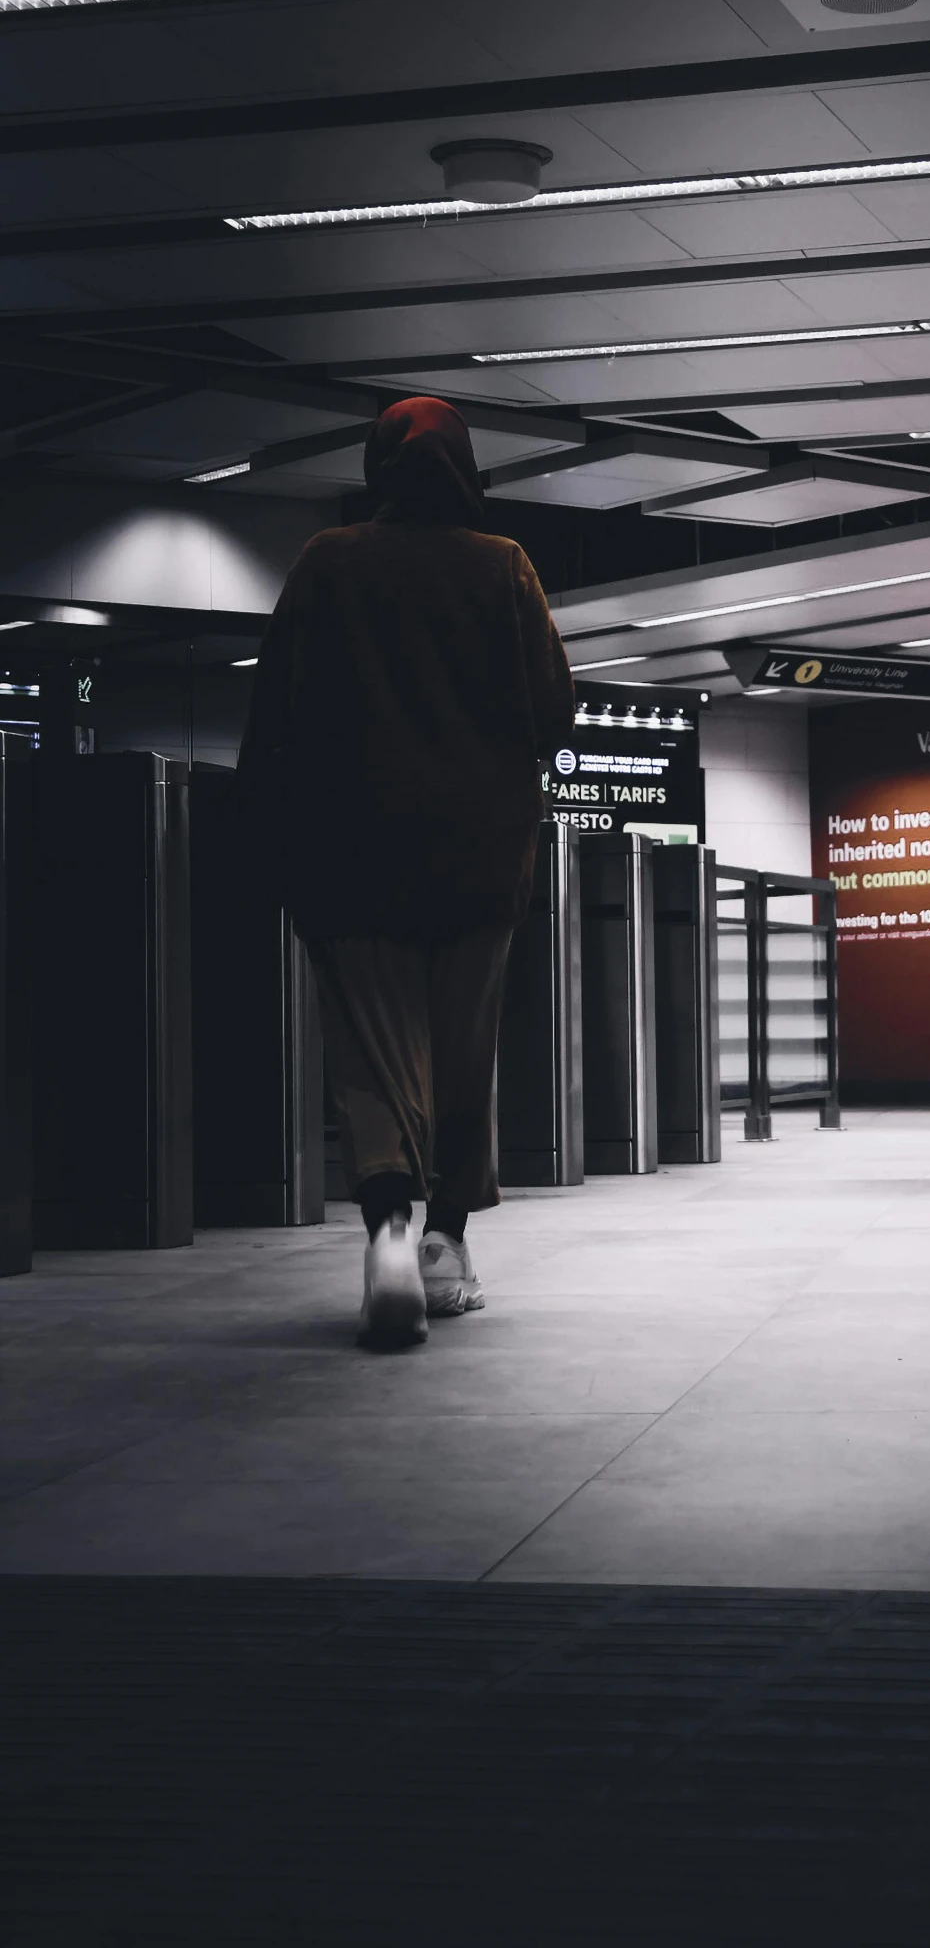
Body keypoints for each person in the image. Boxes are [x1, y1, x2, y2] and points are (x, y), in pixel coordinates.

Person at [236, 396, 574, 1346]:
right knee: (463, 1056)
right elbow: (555, 714)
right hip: (477, 858)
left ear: (377, 467)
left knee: (374, 1058)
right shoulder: (503, 565)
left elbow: (274, 716)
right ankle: (446, 1246)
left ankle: (388, 1223)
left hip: (348, 860)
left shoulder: (324, 563)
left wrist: (268, 839)